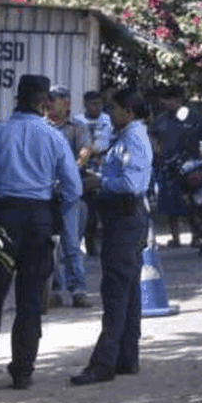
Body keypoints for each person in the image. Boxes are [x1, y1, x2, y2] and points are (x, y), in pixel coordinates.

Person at [0, 74, 83, 391]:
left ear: (17, 99)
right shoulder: (55, 139)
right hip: (38, 222)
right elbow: (73, 189)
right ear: (45, 103)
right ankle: (22, 373)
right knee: (30, 300)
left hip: (2, 221)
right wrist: (61, 221)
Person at [71, 88, 154, 386]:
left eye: (114, 110)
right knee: (128, 291)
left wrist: (98, 181)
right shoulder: (124, 136)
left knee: (116, 292)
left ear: (128, 112)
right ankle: (126, 357)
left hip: (125, 218)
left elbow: (130, 183)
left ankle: (103, 363)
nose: (109, 114)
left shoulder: (133, 138)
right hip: (124, 218)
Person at [148, 84, 202, 248]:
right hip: (168, 167)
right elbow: (151, 134)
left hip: (191, 167)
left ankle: (197, 235)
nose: (164, 103)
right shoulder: (162, 119)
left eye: (168, 100)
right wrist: (156, 147)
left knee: (196, 201)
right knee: (170, 203)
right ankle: (175, 238)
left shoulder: (194, 117)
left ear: (178, 100)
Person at [45, 85, 90, 308]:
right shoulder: (41, 126)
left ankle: (78, 290)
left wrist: (74, 167)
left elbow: (85, 151)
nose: (50, 102)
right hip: (43, 193)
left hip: (69, 194)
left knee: (71, 243)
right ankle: (53, 289)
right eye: (49, 99)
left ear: (67, 103)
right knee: (46, 243)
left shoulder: (77, 127)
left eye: (55, 99)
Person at [76, 90, 113, 254]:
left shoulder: (108, 120)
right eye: (93, 104)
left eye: (99, 103)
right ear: (85, 104)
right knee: (90, 208)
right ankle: (90, 244)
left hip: (106, 165)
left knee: (107, 208)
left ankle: (108, 244)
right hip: (85, 166)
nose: (97, 107)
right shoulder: (78, 121)